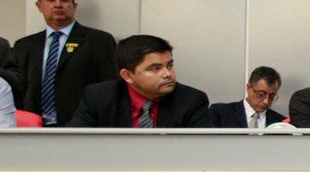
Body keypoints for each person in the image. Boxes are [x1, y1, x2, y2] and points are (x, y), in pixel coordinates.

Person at [9, 0, 118, 126]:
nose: (58, 5)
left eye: (64, 0)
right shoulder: (24, 45)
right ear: (39, 6)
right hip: (34, 127)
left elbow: (111, 85)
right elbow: (18, 87)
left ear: (74, 6)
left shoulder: (99, 41)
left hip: (81, 125)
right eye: (51, 0)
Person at [69, 34, 212, 128]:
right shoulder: (99, 97)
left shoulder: (192, 100)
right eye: (155, 68)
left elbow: (198, 152)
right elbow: (78, 144)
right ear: (127, 76)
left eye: (169, 65)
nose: (168, 74)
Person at [209, 66, 285, 129]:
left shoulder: (281, 122)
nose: (266, 101)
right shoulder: (220, 114)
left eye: (272, 96)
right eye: (261, 94)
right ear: (249, 88)